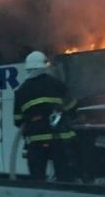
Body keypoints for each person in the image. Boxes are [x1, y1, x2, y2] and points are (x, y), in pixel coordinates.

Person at [13, 51, 78, 182]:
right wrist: (64, 113)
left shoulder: (21, 91)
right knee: (65, 176)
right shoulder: (56, 84)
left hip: (36, 141)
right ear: (44, 67)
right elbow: (72, 105)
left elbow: (18, 120)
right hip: (59, 139)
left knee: (37, 178)